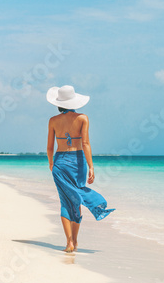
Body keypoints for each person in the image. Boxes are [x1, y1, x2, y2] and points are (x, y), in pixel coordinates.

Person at [46, 85, 115, 253]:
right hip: (78, 162)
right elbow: (85, 144)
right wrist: (91, 166)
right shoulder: (83, 118)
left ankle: (69, 242)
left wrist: (51, 163)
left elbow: (49, 147)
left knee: (65, 202)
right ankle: (75, 241)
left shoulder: (53, 121)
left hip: (60, 162)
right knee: (75, 201)